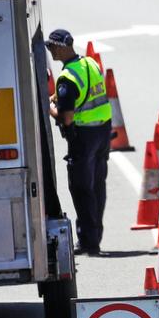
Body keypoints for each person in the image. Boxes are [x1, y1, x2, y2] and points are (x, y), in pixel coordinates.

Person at [46, 28, 112, 256]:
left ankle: (88, 242)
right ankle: (95, 235)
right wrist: (57, 98)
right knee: (97, 185)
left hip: (83, 136)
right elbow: (85, 94)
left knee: (81, 189)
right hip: (103, 131)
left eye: (51, 47)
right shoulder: (90, 64)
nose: (51, 51)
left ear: (61, 47)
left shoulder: (67, 78)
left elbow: (66, 116)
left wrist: (49, 108)